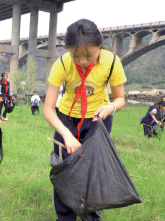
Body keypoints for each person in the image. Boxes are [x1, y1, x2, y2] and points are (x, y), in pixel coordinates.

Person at [43, 19, 127, 221]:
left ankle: (91, 216)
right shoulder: (62, 63)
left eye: (89, 55)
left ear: (100, 45)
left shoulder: (112, 62)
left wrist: (110, 107)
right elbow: (47, 109)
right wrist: (66, 134)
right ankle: (64, 218)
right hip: (66, 120)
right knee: (65, 171)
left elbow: (120, 98)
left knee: (91, 171)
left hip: (98, 119)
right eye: (75, 56)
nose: (82, 61)